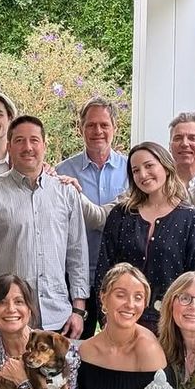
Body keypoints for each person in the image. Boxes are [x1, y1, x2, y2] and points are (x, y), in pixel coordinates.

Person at [0, 115, 89, 337]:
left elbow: (77, 254)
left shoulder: (66, 193)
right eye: (19, 140)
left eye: (34, 140)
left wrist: (78, 310)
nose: (28, 147)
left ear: (44, 145)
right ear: (9, 146)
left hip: (58, 317)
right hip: (8, 317)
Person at [94, 142, 195, 333]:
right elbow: (104, 271)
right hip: (123, 321)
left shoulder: (192, 219)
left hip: (171, 327)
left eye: (149, 166)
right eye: (136, 170)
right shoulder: (121, 215)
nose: (143, 174)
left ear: (165, 166)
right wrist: (105, 318)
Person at [56, 97, 130, 338]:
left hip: (120, 276)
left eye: (104, 125)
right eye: (90, 125)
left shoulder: (132, 170)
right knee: (72, 349)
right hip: (76, 278)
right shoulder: (63, 173)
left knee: (120, 346)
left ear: (114, 129)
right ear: (80, 129)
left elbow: (105, 219)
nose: (97, 131)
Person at [169, 111, 195, 202]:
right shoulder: (159, 184)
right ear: (169, 146)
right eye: (178, 138)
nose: (184, 144)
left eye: (192, 138)